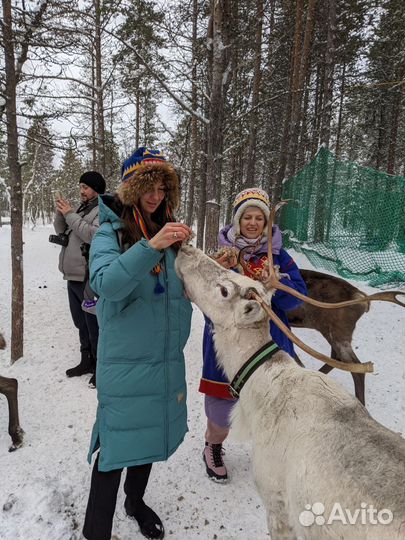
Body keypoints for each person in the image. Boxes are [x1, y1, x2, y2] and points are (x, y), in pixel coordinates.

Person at [82, 147, 193, 540]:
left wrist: (219, 268)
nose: (156, 195)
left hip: (164, 361)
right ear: (131, 188)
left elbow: (188, 286)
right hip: (126, 364)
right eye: (148, 186)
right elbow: (106, 284)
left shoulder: (171, 232)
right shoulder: (109, 234)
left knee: (148, 437)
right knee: (114, 449)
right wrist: (151, 246)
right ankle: (95, 531)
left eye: (164, 187)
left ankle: (135, 501)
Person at [199, 187, 307, 482]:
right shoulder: (221, 255)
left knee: (274, 403)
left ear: (267, 222)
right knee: (222, 404)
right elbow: (206, 301)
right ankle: (214, 444)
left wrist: (278, 287)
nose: (253, 222)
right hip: (228, 343)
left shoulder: (280, 257)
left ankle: (273, 453)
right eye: (247, 216)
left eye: (259, 217)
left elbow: (299, 298)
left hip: (269, 344)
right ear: (237, 221)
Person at [53, 171, 106, 385]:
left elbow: (92, 235)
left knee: (94, 324)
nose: (81, 191)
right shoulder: (83, 208)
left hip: (88, 276)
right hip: (73, 275)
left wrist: (70, 215)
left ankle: (101, 367)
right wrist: (61, 213)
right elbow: (62, 230)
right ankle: (87, 360)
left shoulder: (102, 209)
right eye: (80, 187)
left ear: (96, 189)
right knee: (80, 322)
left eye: (85, 187)